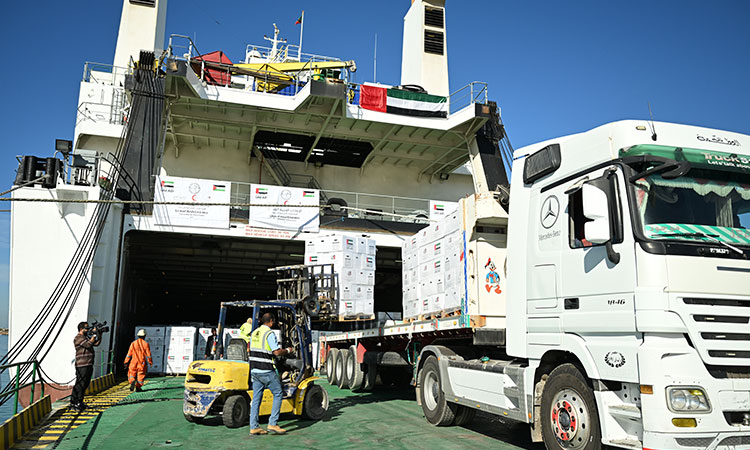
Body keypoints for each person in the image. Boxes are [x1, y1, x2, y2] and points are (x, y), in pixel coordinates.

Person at [248, 313, 294, 435]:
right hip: (266, 370)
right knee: (278, 393)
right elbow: (277, 352)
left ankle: (254, 426)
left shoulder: (254, 333)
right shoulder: (269, 333)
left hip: (255, 370)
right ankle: (273, 423)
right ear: (271, 321)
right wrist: (288, 350)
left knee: (256, 398)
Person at [71, 321, 100, 411]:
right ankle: (74, 403)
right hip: (82, 365)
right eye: (86, 328)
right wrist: (94, 335)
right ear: (81, 329)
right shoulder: (78, 338)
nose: (88, 330)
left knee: (85, 384)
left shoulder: (86, 337)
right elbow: (88, 344)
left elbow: (96, 344)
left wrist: (99, 335)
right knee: (80, 384)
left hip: (89, 363)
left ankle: (80, 402)